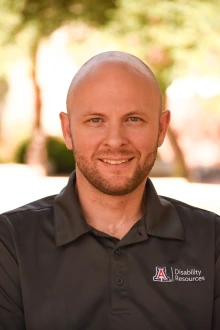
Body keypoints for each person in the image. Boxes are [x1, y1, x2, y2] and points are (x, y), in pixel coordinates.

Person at [0, 51, 219, 330]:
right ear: (67, 130)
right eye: (96, 120)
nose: (115, 141)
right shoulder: (10, 242)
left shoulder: (212, 240)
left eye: (134, 119)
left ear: (162, 128)